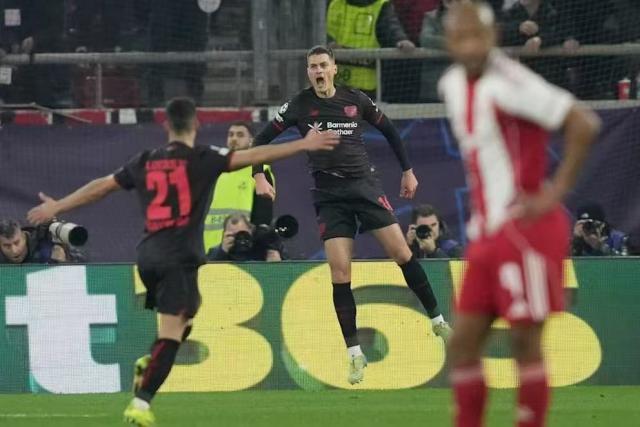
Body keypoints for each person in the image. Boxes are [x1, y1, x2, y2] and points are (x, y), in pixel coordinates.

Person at [26, 97, 339, 427]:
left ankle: (151, 362)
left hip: (147, 256)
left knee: (187, 315)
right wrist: (303, 144)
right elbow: (253, 156)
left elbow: (102, 187)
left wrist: (58, 206)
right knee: (173, 335)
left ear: (166, 126)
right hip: (178, 258)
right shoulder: (202, 158)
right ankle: (140, 404)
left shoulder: (145, 160)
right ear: (196, 124)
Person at [439, 3, 600, 427]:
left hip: (525, 228)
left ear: (492, 37)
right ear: (448, 42)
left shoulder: (510, 81)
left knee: (524, 343)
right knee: (462, 344)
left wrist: (554, 194)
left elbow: (583, 123)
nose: (470, 46)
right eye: (460, 38)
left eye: (478, 36)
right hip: (486, 234)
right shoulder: (451, 84)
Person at [252, 45, 452, 386]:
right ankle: (355, 354)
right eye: (312, 66)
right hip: (329, 196)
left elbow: (389, 130)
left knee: (402, 253)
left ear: (334, 69)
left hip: (364, 187)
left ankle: (437, 320)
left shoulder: (355, 99)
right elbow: (261, 139)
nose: (318, 71)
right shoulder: (299, 105)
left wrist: (408, 171)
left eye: (323, 65)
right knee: (340, 271)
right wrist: (258, 174)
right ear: (308, 72)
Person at [203, 121, 276, 252]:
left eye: (240, 135)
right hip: (210, 249)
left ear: (251, 141)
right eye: (231, 135)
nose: (234, 138)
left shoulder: (260, 172)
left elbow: (263, 218)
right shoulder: (217, 170)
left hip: (241, 248)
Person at [0, 218, 84, 264]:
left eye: (17, 243)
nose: (14, 250)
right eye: (7, 246)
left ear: (24, 236)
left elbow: (84, 266)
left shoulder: (46, 241)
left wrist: (65, 260)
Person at [206, 213, 283, 262]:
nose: (240, 238)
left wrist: (277, 265)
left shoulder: (263, 248)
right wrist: (222, 252)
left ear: (251, 231)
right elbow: (207, 273)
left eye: (243, 233)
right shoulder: (215, 252)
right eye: (233, 235)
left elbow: (287, 271)